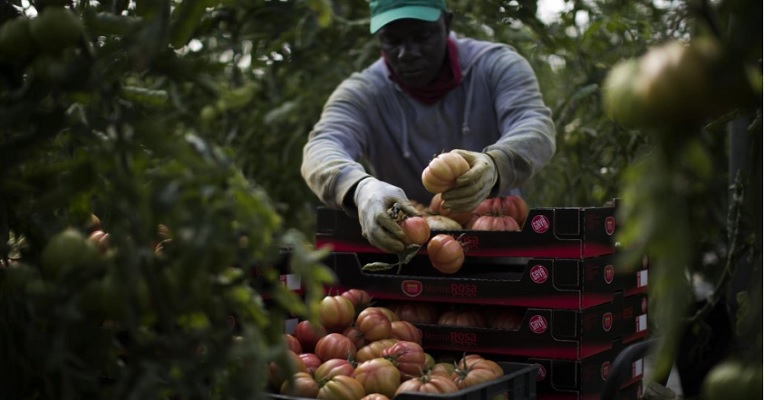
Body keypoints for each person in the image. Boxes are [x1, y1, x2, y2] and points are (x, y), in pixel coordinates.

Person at [301, 0, 556, 254]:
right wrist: (359, 188)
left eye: (422, 36)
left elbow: (534, 125)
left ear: (446, 23)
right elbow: (323, 146)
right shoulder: (363, 93)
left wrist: (496, 164)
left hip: (496, 243)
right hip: (404, 252)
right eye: (392, 40)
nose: (406, 52)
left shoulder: (497, 66)